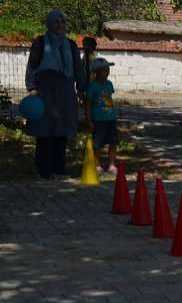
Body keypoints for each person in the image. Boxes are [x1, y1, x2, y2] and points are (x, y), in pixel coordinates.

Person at [24, 10, 85, 180]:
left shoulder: (71, 45)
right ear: (49, 24)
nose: (60, 25)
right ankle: (43, 169)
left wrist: (81, 89)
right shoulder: (41, 43)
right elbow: (32, 67)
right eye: (56, 22)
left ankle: (59, 168)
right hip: (45, 90)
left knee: (62, 130)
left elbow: (78, 69)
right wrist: (31, 88)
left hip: (65, 91)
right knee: (44, 130)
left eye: (62, 22)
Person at [85, 57, 118, 174]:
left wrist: (114, 113)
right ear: (97, 72)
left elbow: (109, 98)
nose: (107, 72)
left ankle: (111, 164)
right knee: (97, 144)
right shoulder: (92, 86)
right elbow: (88, 104)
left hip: (111, 118)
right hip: (98, 120)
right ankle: (97, 164)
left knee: (113, 142)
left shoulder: (109, 84)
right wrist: (89, 120)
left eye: (108, 69)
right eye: (104, 70)